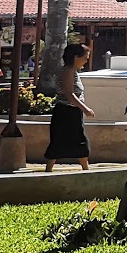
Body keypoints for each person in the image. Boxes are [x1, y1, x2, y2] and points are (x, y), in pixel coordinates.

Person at [44, 42, 95, 172]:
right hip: (66, 112)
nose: (86, 61)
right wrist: (85, 108)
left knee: (78, 140)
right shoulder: (67, 71)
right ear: (76, 57)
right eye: (85, 58)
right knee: (63, 140)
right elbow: (69, 94)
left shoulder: (72, 71)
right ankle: (84, 169)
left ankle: (85, 168)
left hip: (71, 111)